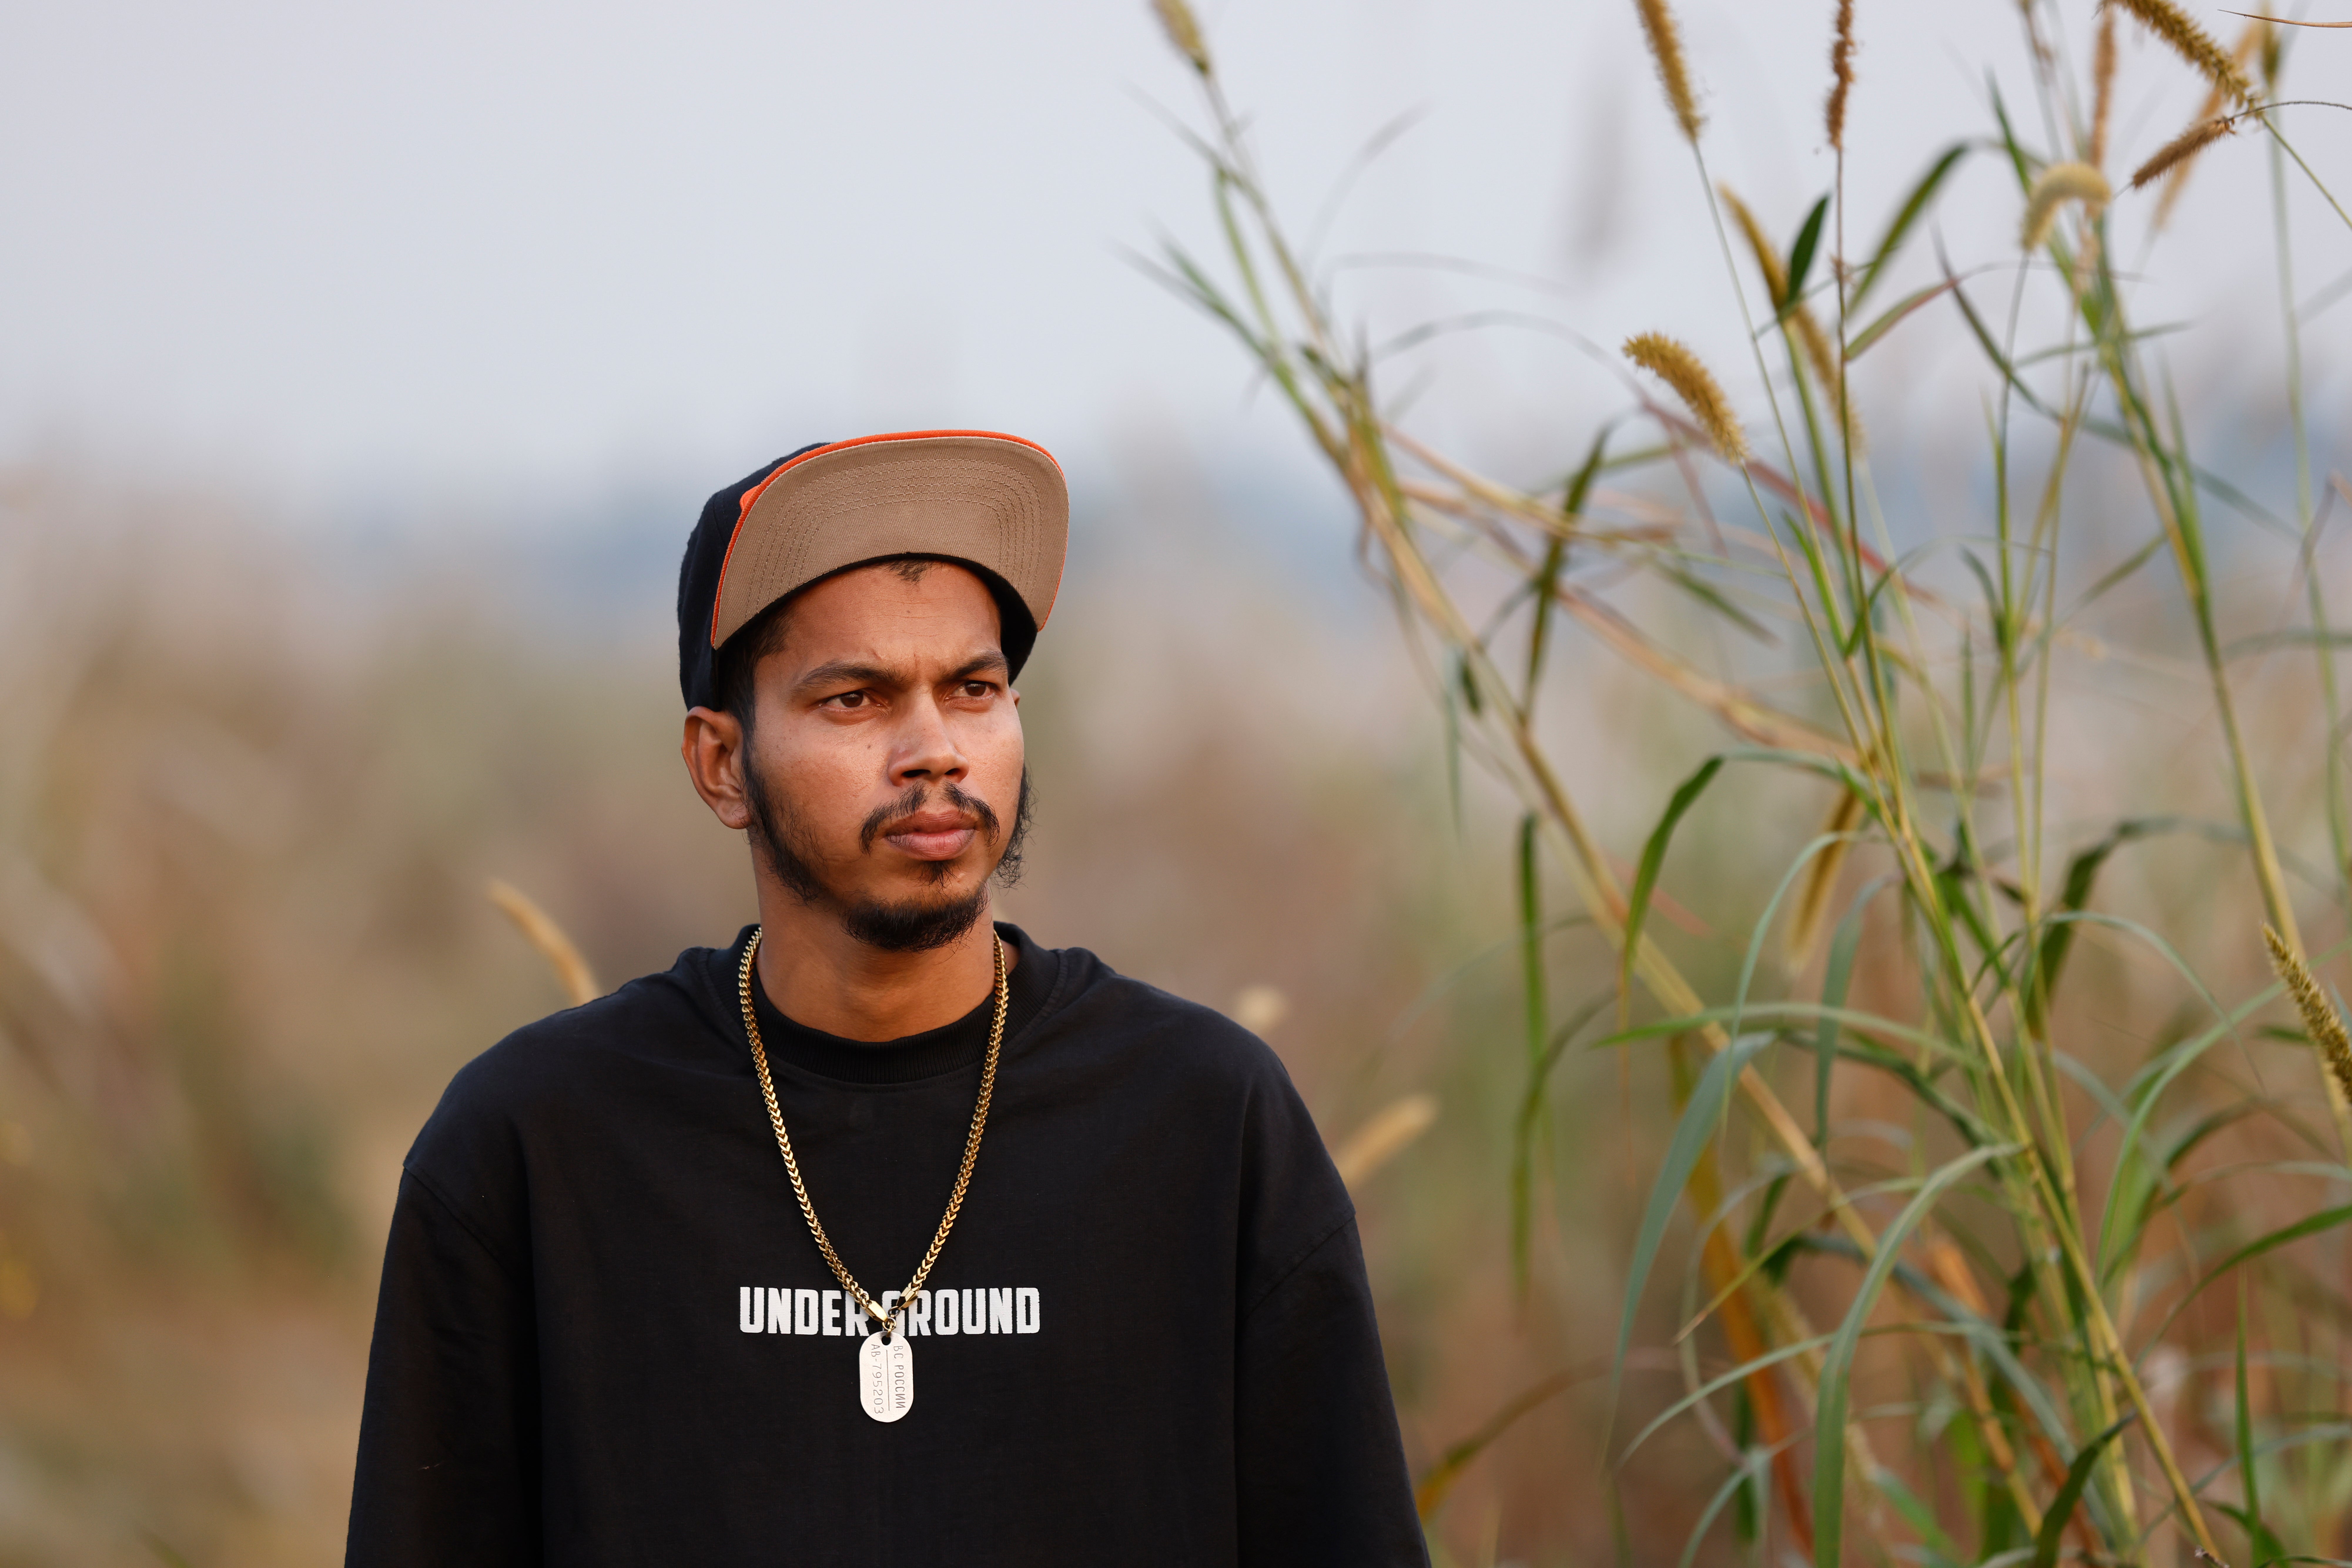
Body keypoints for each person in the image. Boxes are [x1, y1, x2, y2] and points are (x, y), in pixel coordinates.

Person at [344, 430, 1429, 1565]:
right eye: (856, 698)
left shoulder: (1204, 1122)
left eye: (972, 689)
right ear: (722, 764)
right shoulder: (535, 1145)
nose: (934, 751)